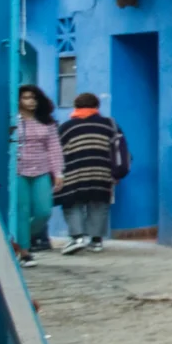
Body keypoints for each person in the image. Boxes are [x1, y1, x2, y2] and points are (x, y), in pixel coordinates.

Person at [55, 93, 127, 254]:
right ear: (97, 107)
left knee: (72, 203)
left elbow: (57, 151)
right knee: (99, 203)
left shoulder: (66, 127)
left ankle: (78, 237)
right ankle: (96, 241)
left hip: (74, 171)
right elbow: (119, 149)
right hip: (102, 171)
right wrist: (117, 173)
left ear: (76, 107)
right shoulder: (110, 124)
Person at [12, 84, 61, 262]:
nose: (30, 101)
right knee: (22, 211)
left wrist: (58, 173)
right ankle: (24, 251)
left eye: (33, 98)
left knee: (44, 211)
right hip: (18, 172)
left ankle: (20, 237)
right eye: (26, 98)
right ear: (18, 100)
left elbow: (54, 149)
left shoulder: (47, 122)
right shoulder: (13, 120)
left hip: (41, 170)